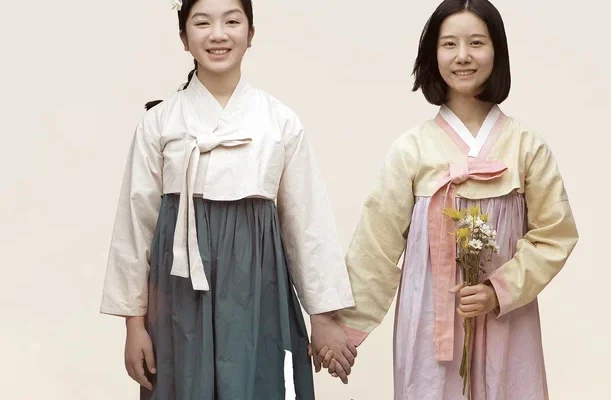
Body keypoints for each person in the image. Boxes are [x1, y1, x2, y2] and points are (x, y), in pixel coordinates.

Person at [314, 0, 579, 398]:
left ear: (497, 51)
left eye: (477, 43)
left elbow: (555, 235)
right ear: (432, 54)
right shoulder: (412, 149)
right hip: (430, 321)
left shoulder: (526, 147)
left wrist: (497, 290)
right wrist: (340, 330)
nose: (463, 56)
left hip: (506, 318)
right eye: (449, 44)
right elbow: (375, 248)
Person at [99, 0, 357, 398]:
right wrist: (134, 325)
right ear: (183, 37)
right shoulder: (159, 123)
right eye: (202, 23)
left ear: (250, 34)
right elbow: (135, 226)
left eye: (232, 21)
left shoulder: (279, 122)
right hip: (178, 295)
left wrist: (323, 316)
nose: (218, 34)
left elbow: (307, 223)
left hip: (258, 289)